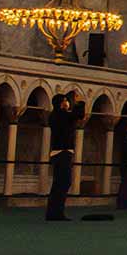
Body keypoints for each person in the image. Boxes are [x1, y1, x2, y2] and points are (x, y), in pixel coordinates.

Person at [45, 91, 84, 222]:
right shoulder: (60, 115)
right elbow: (79, 115)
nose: (67, 103)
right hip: (62, 152)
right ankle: (56, 212)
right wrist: (79, 103)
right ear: (60, 104)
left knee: (59, 183)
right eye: (65, 101)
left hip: (60, 152)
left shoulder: (56, 115)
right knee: (63, 182)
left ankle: (53, 212)